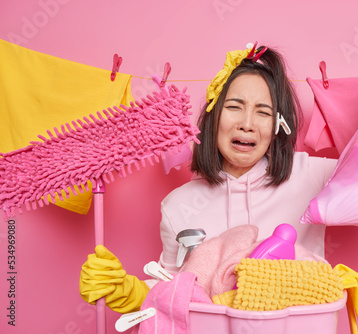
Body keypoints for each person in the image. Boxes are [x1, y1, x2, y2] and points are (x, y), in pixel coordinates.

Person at [79, 43, 337, 314]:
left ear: (277, 126)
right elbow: (170, 290)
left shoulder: (314, 176)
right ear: (213, 117)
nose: (247, 123)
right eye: (235, 107)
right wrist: (130, 292)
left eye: (263, 112)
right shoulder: (178, 205)